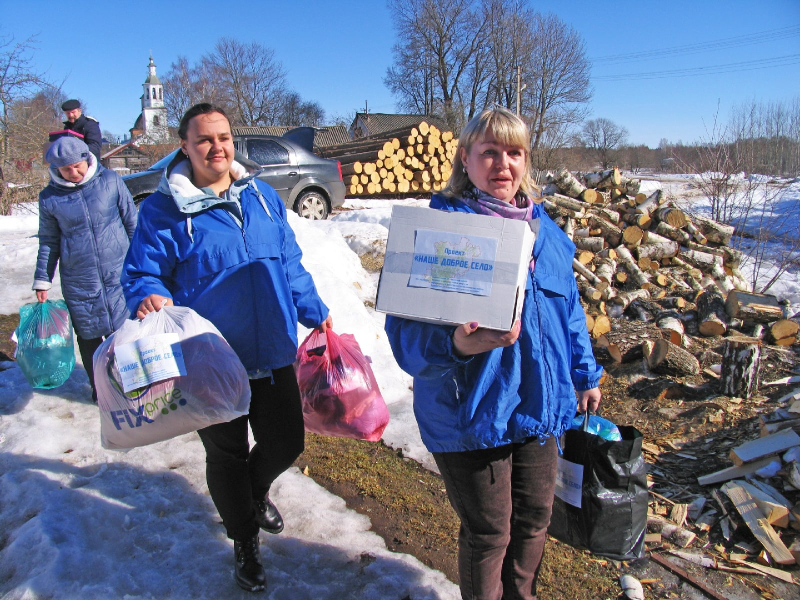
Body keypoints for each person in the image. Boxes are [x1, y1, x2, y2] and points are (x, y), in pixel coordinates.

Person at [384, 107, 603, 600]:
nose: (503, 164)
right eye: (489, 152)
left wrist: (585, 373)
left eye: (514, 153)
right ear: (466, 159)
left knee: (534, 522)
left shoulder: (547, 235)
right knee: (490, 533)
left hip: (539, 406)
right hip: (470, 410)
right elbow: (404, 338)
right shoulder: (438, 234)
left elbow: (569, 313)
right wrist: (458, 344)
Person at [120, 103, 331, 593]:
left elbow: (289, 260)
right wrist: (147, 294)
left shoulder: (260, 196)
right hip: (212, 360)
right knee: (227, 455)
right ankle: (244, 542)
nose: (217, 147)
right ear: (185, 147)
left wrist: (313, 307)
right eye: (204, 140)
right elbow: (141, 272)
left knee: (286, 441)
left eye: (224, 137)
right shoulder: (164, 209)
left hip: (274, 347)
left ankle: (252, 497)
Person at [33, 136, 137, 403]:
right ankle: (101, 390)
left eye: (77, 166)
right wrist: (42, 279)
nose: (74, 173)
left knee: (126, 331)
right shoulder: (50, 198)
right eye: (66, 169)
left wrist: (143, 264)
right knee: (90, 336)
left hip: (118, 271)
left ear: (87, 159)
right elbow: (49, 241)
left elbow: (132, 222)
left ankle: (135, 383)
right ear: (56, 169)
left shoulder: (111, 181)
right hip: (79, 278)